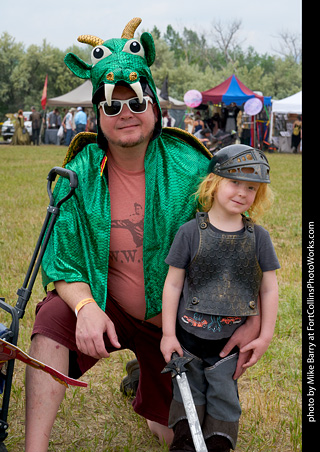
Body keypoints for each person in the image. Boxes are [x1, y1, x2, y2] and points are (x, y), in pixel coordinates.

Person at [24, 18, 262, 452]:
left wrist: (253, 319)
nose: (125, 113)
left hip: (172, 325)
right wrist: (85, 306)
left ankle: (142, 380)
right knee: (51, 321)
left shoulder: (193, 170)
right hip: (104, 303)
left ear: (153, 104)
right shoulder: (76, 176)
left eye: (134, 99)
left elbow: (236, 247)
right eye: (111, 106)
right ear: (98, 116)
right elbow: (63, 261)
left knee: (178, 435)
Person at [160, 144, 280, 451]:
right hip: (188, 338)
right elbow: (173, 285)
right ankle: (186, 440)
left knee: (224, 395)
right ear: (213, 182)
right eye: (234, 182)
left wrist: (264, 336)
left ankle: (219, 442)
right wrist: (168, 334)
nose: (242, 192)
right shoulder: (189, 233)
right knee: (187, 392)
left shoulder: (259, 238)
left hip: (228, 346)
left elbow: (268, 288)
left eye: (251, 187)